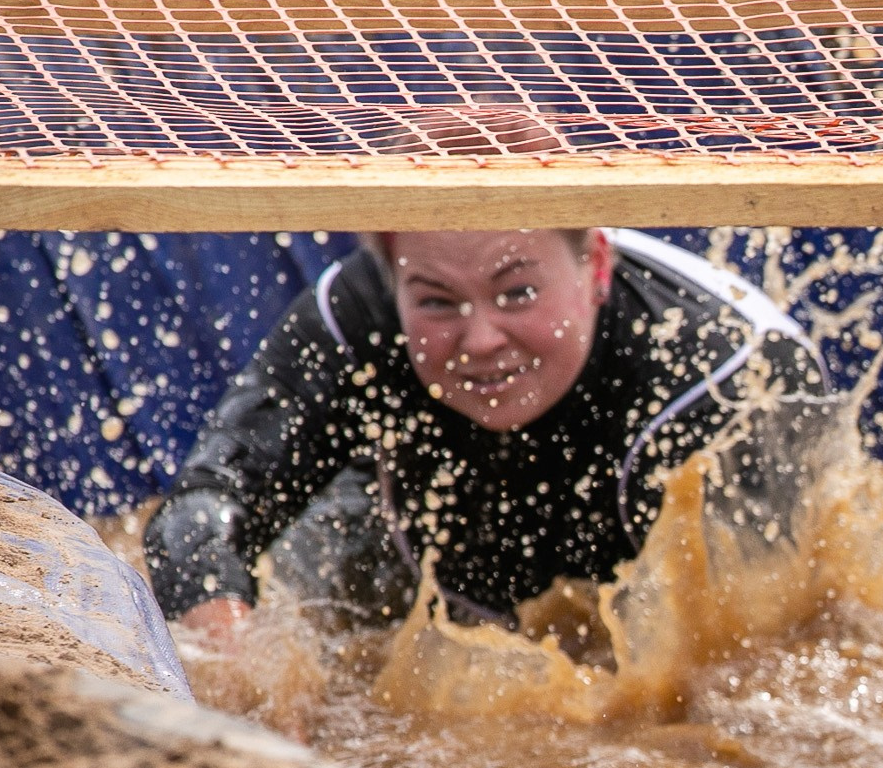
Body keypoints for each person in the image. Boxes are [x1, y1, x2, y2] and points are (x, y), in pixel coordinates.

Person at [144, 226, 827, 641]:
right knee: (300, 606)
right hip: (404, 541)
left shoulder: (729, 381)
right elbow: (199, 512)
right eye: (437, 301)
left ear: (595, 266)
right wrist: (248, 687)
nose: (480, 338)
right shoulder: (357, 317)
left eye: (517, 293)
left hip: (650, 542)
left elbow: (758, 663)